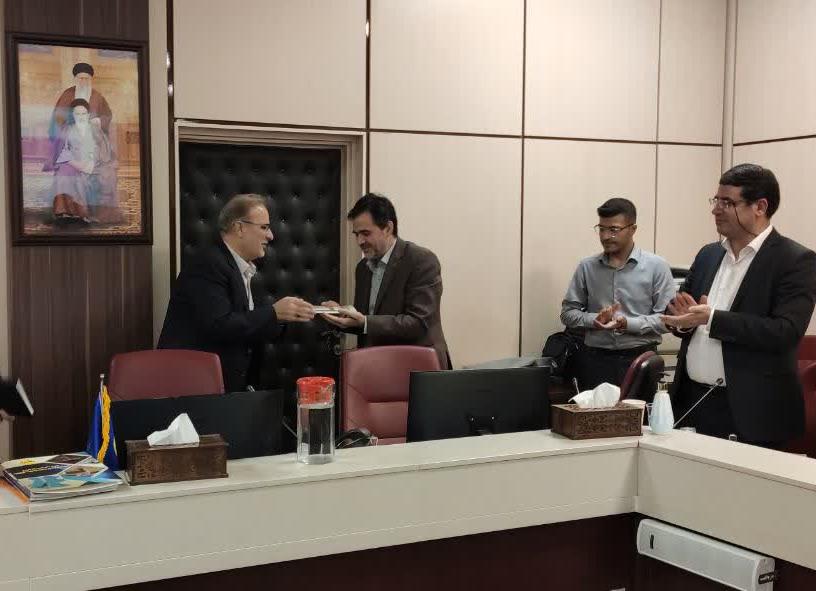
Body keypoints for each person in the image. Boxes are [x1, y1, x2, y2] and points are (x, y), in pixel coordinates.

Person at [662, 164, 816, 447]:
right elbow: (683, 314)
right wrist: (680, 321)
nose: (716, 210)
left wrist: (712, 319)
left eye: (728, 203)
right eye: (715, 200)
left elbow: (785, 332)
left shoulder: (794, 260)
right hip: (692, 401)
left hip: (753, 412)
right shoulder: (708, 254)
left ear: (760, 207)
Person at [158, 194, 315, 391]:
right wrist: (274, 313)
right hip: (195, 388)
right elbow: (219, 325)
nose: (271, 236)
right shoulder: (209, 264)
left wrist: (285, 316)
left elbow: (248, 323)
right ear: (239, 228)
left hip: (224, 387)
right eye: (264, 227)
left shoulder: (240, 267)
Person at [320, 193, 450, 368]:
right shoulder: (362, 268)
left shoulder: (422, 260)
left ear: (388, 228)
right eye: (356, 234)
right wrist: (342, 316)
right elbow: (366, 323)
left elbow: (418, 323)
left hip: (419, 369)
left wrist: (364, 321)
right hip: (380, 367)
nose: (359, 241)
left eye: (365, 233)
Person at [561, 198, 675, 391]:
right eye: (601, 229)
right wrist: (594, 320)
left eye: (613, 229)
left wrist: (627, 323)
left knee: (641, 411)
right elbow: (567, 314)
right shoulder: (587, 267)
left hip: (641, 359)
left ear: (633, 229)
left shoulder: (657, 267)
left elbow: (668, 321)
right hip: (595, 361)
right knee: (597, 412)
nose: (605, 236)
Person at [44, 99, 116, 223]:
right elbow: (63, 151)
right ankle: (67, 210)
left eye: (83, 114)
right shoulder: (67, 129)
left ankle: (89, 212)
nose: (81, 117)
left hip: (94, 162)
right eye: (77, 114)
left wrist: (91, 162)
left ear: (88, 115)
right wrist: (76, 164)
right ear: (72, 115)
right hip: (73, 162)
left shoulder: (95, 130)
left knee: (106, 175)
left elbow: (103, 149)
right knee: (64, 173)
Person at [47, 62, 113, 141]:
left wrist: (98, 121)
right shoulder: (67, 94)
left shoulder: (97, 96)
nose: (84, 81)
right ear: (75, 79)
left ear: (90, 79)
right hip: (70, 137)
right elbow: (58, 116)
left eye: (87, 79)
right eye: (81, 78)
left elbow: (107, 115)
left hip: (92, 137)